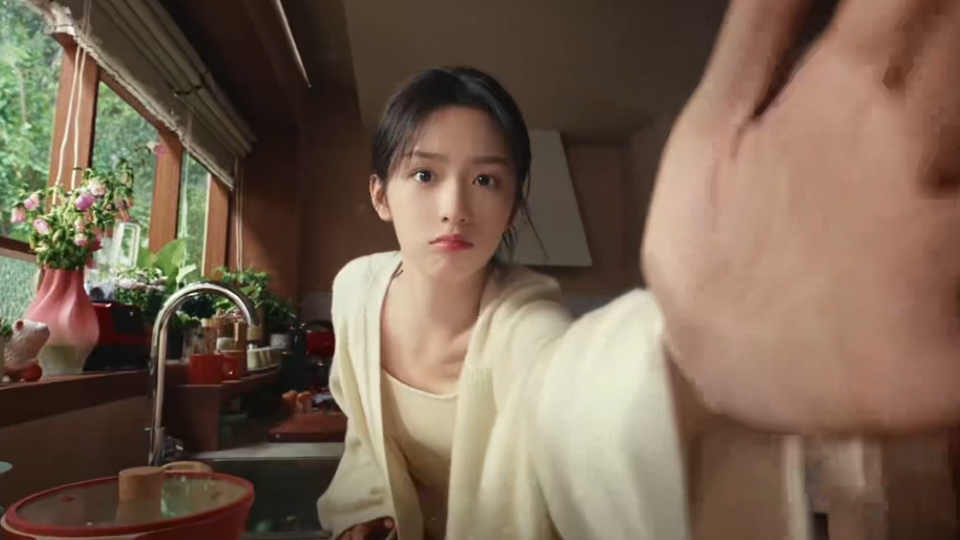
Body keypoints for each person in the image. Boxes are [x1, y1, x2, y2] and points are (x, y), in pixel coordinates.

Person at [319, 0, 960, 536]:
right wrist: (366, 510)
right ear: (380, 194)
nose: (455, 207)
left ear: (513, 205)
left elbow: (579, 401)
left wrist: (697, 357)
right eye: (424, 175)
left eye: (486, 179)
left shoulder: (527, 330)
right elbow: (364, 438)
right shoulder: (356, 290)